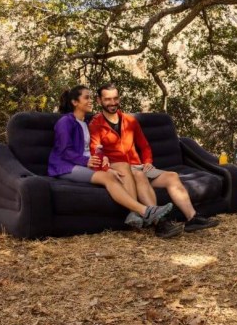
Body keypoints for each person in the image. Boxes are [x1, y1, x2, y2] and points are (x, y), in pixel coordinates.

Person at [90, 83, 218, 237]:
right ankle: (161, 224)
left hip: (138, 166)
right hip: (120, 169)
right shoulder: (95, 124)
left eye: (115, 98)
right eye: (108, 99)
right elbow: (96, 152)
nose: (112, 102)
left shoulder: (130, 121)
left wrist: (148, 162)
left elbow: (144, 146)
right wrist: (107, 169)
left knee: (172, 176)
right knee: (139, 175)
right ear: (99, 101)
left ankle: (192, 218)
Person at [47, 85, 173, 231]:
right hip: (65, 167)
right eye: (86, 98)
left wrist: (103, 161)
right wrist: (87, 161)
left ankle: (135, 214)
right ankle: (144, 211)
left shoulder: (85, 123)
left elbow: (90, 150)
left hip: (82, 163)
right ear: (75, 102)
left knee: (122, 167)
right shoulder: (65, 122)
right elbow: (64, 151)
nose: (90, 101)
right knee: (108, 178)